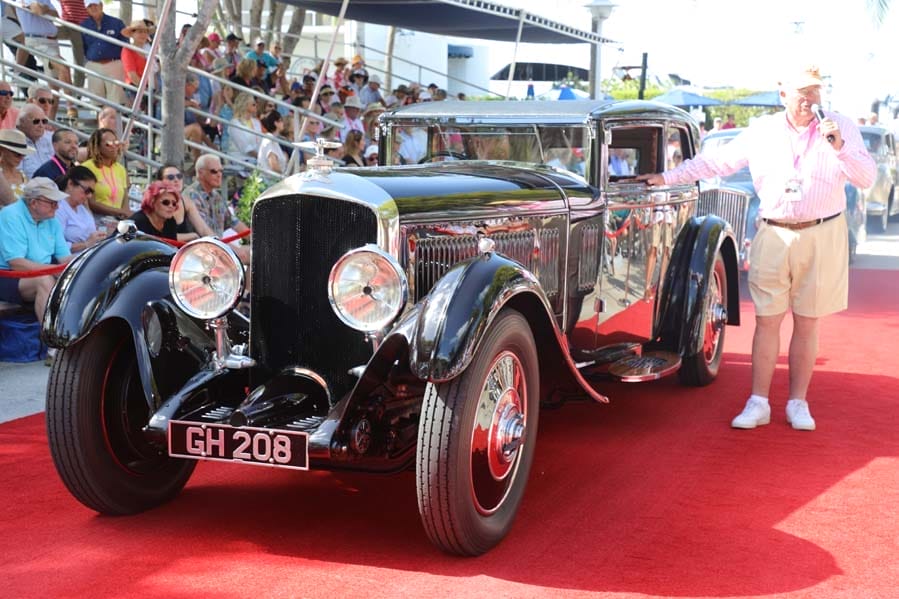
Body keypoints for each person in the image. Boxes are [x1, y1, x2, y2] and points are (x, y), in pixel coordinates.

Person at [637, 65, 876, 431]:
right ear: (783, 95)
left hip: (823, 232)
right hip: (773, 232)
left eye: (815, 91)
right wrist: (666, 177)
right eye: (802, 92)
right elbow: (716, 162)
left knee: (808, 321)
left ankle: (798, 403)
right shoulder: (763, 130)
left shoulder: (840, 127)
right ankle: (759, 401)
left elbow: (866, 178)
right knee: (767, 320)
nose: (809, 99)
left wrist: (839, 146)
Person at [0, 177, 73, 324]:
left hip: (40, 272)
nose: (57, 207)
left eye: (57, 202)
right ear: (33, 203)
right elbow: (17, 264)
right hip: (8, 275)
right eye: (52, 203)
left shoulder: (52, 220)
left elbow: (65, 258)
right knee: (45, 280)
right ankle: (50, 335)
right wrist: (53, 270)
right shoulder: (11, 216)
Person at [181, 154, 250, 264]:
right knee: (245, 255)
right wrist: (231, 249)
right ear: (200, 173)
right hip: (200, 251)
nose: (219, 175)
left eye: (221, 171)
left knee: (257, 253)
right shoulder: (192, 196)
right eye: (214, 171)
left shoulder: (216, 196)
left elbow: (234, 222)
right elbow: (204, 233)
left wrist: (257, 240)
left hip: (218, 246)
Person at [15, 0, 74, 120]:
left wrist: (45, 9)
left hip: (51, 41)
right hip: (37, 41)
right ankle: (71, 107)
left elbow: (57, 14)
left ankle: (50, 122)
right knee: (63, 67)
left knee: (54, 86)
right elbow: (38, 10)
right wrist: (45, 9)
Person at [80, 0, 127, 106]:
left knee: (117, 101)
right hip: (93, 65)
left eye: (95, 5)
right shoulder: (83, 25)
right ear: (86, 9)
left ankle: (117, 117)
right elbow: (81, 47)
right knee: (97, 102)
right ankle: (99, 117)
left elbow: (125, 44)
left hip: (114, 64)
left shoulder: (117, 23)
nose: (93, 8)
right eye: (90, 6)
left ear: (101, 5)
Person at [153, 164, 214, 242]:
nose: (176, 180)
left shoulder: (186, 202)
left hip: (181, 248)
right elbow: (159, 236)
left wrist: (217, 242)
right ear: (160, 182)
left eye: (179, 176)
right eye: (170, 177)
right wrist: (192, 236)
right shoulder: (156, 203)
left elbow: (203, 229)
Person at [55, 166, 107, 253]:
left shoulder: (81, 206)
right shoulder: (58, 207)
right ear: (70, 184)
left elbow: (90, 230)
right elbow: (56, 246)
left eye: (92, 192)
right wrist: (86, 244)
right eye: (87, 190)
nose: (89, 196)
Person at [82, 128, 130, 220]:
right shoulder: (87, 167)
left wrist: (125, 215)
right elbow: (90, 202)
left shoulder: (120, 169)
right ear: (97, 146)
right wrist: (119, 212)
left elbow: (125, 199)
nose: (114, 147)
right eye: (108, 144)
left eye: (116, 143)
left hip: (118, 219)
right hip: (96, 219)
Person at [17, 104, 53, 178]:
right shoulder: (13, 141)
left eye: (44, 121)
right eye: (36, 121)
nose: (41, 125)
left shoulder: (51, 139)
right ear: (22, 122)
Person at [0, 129, 34, 204]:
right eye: (17, 154)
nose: (21, 158)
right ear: (2, 150)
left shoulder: (22, 174)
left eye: (23, 154)